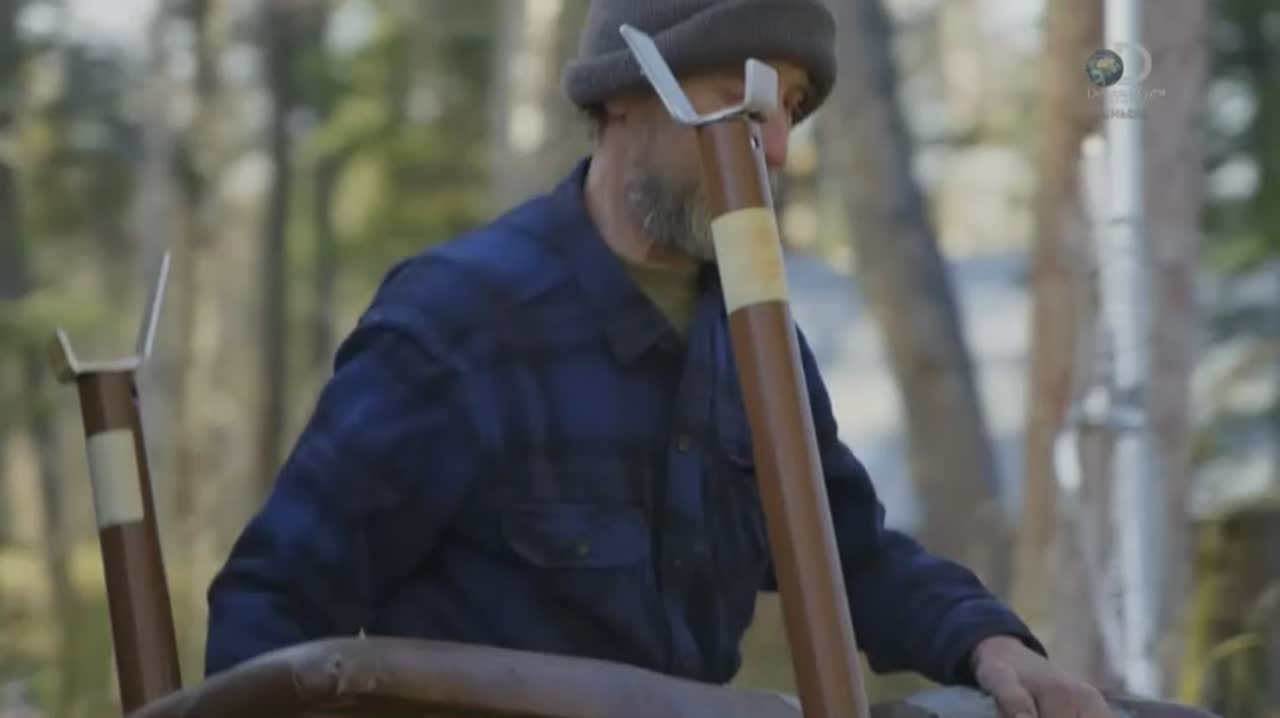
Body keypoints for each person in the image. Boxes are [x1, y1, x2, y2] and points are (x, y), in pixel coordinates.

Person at [205, 1, 1111, 716]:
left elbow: (850, 558)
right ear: (624, 92)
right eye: (739, 98)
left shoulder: (756, 340)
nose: (776, 150)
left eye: (789, 109)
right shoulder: (458, 326)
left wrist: (990, 644)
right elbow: (275, 606)